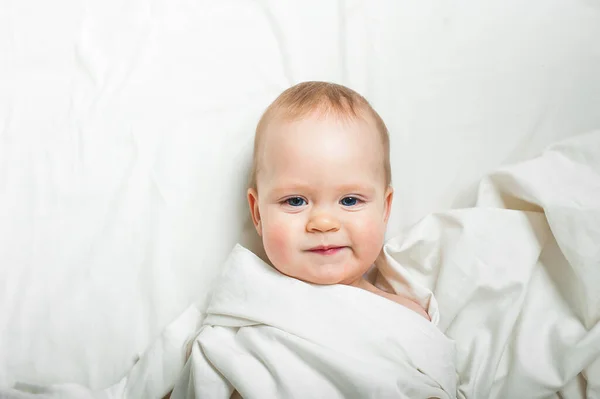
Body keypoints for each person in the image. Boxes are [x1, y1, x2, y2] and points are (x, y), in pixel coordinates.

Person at [169, 82, 456, 399]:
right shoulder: (245, 309)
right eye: (295, 201)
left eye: (349, 200)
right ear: (258, 213)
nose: (323, 223)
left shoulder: (408, 316)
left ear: (385, 208)